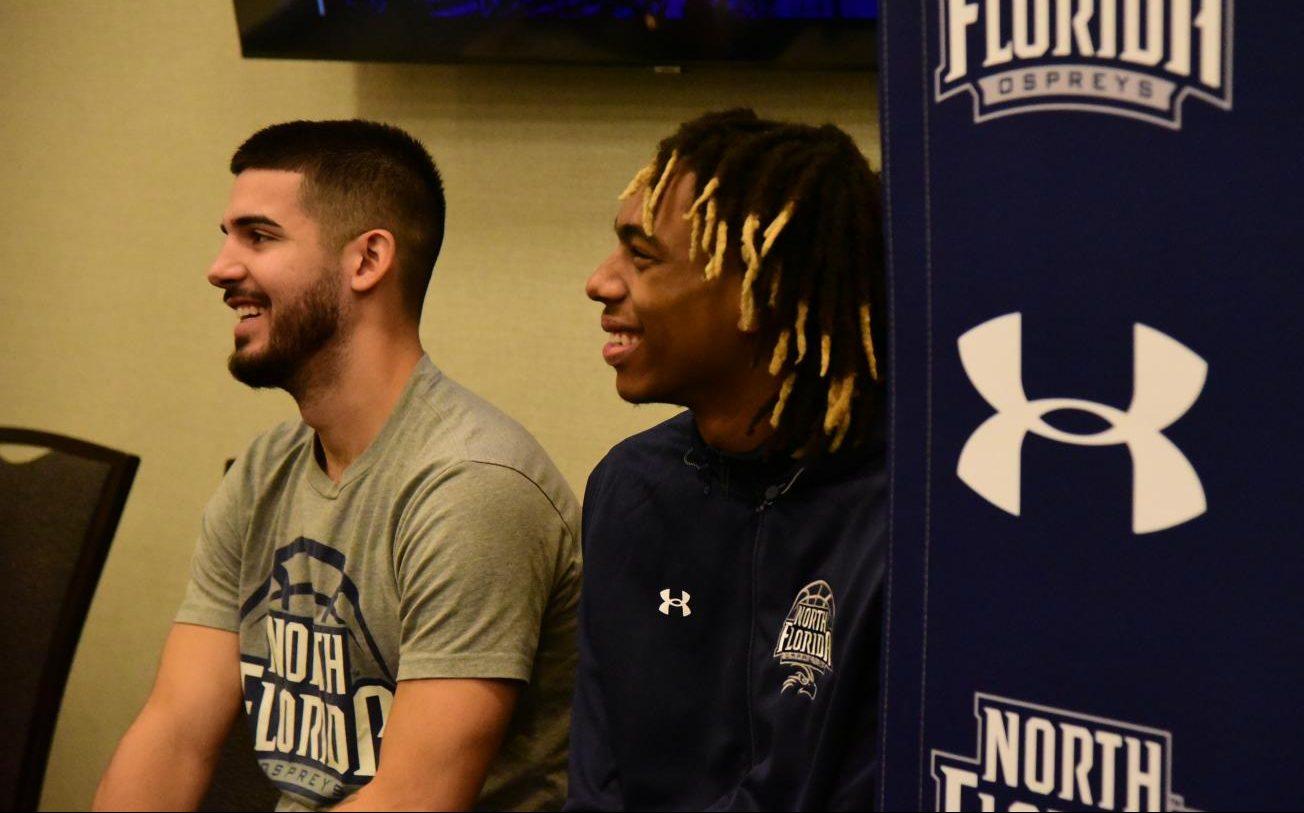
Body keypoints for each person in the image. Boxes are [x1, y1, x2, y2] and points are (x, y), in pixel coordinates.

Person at [94, 120, 581, 812]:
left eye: (258, 237)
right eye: (227, 235)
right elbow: (173, 732)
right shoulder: (266, 472)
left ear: (367, 260)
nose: (220, 267)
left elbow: (414, 800)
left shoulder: (472, 487)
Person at [569, 109, 887, 810]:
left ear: (762, 289)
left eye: (641, 256)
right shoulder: (629, 488)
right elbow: (597, 781)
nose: (599, 282)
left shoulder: (904, 515)